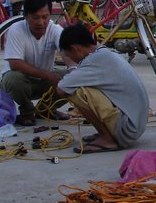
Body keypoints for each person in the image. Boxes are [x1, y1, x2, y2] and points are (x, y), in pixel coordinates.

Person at [55, 23, 149, 154]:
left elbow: (62, 89)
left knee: (78, 92)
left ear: (75, 49)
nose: (72, 60)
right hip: (134, 126)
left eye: (69, 55)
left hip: (127, 130)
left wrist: (70, 69)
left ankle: (107, 139)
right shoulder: (104, 54)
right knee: (83, 87)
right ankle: (106, 134)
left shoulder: (93, 61)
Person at [0, 0, 67, 126]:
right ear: (25, 16)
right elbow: (15, 64)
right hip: (21, 80)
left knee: (74, 77)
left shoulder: (55, 30)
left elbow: (67, 52)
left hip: (43, 82)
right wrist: (48, 75)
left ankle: (45, 109)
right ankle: (26, 111)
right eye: (35, 18)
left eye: (45, 17)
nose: (41, 22)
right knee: (13, 79)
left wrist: (73, 68)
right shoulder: (16, 29)